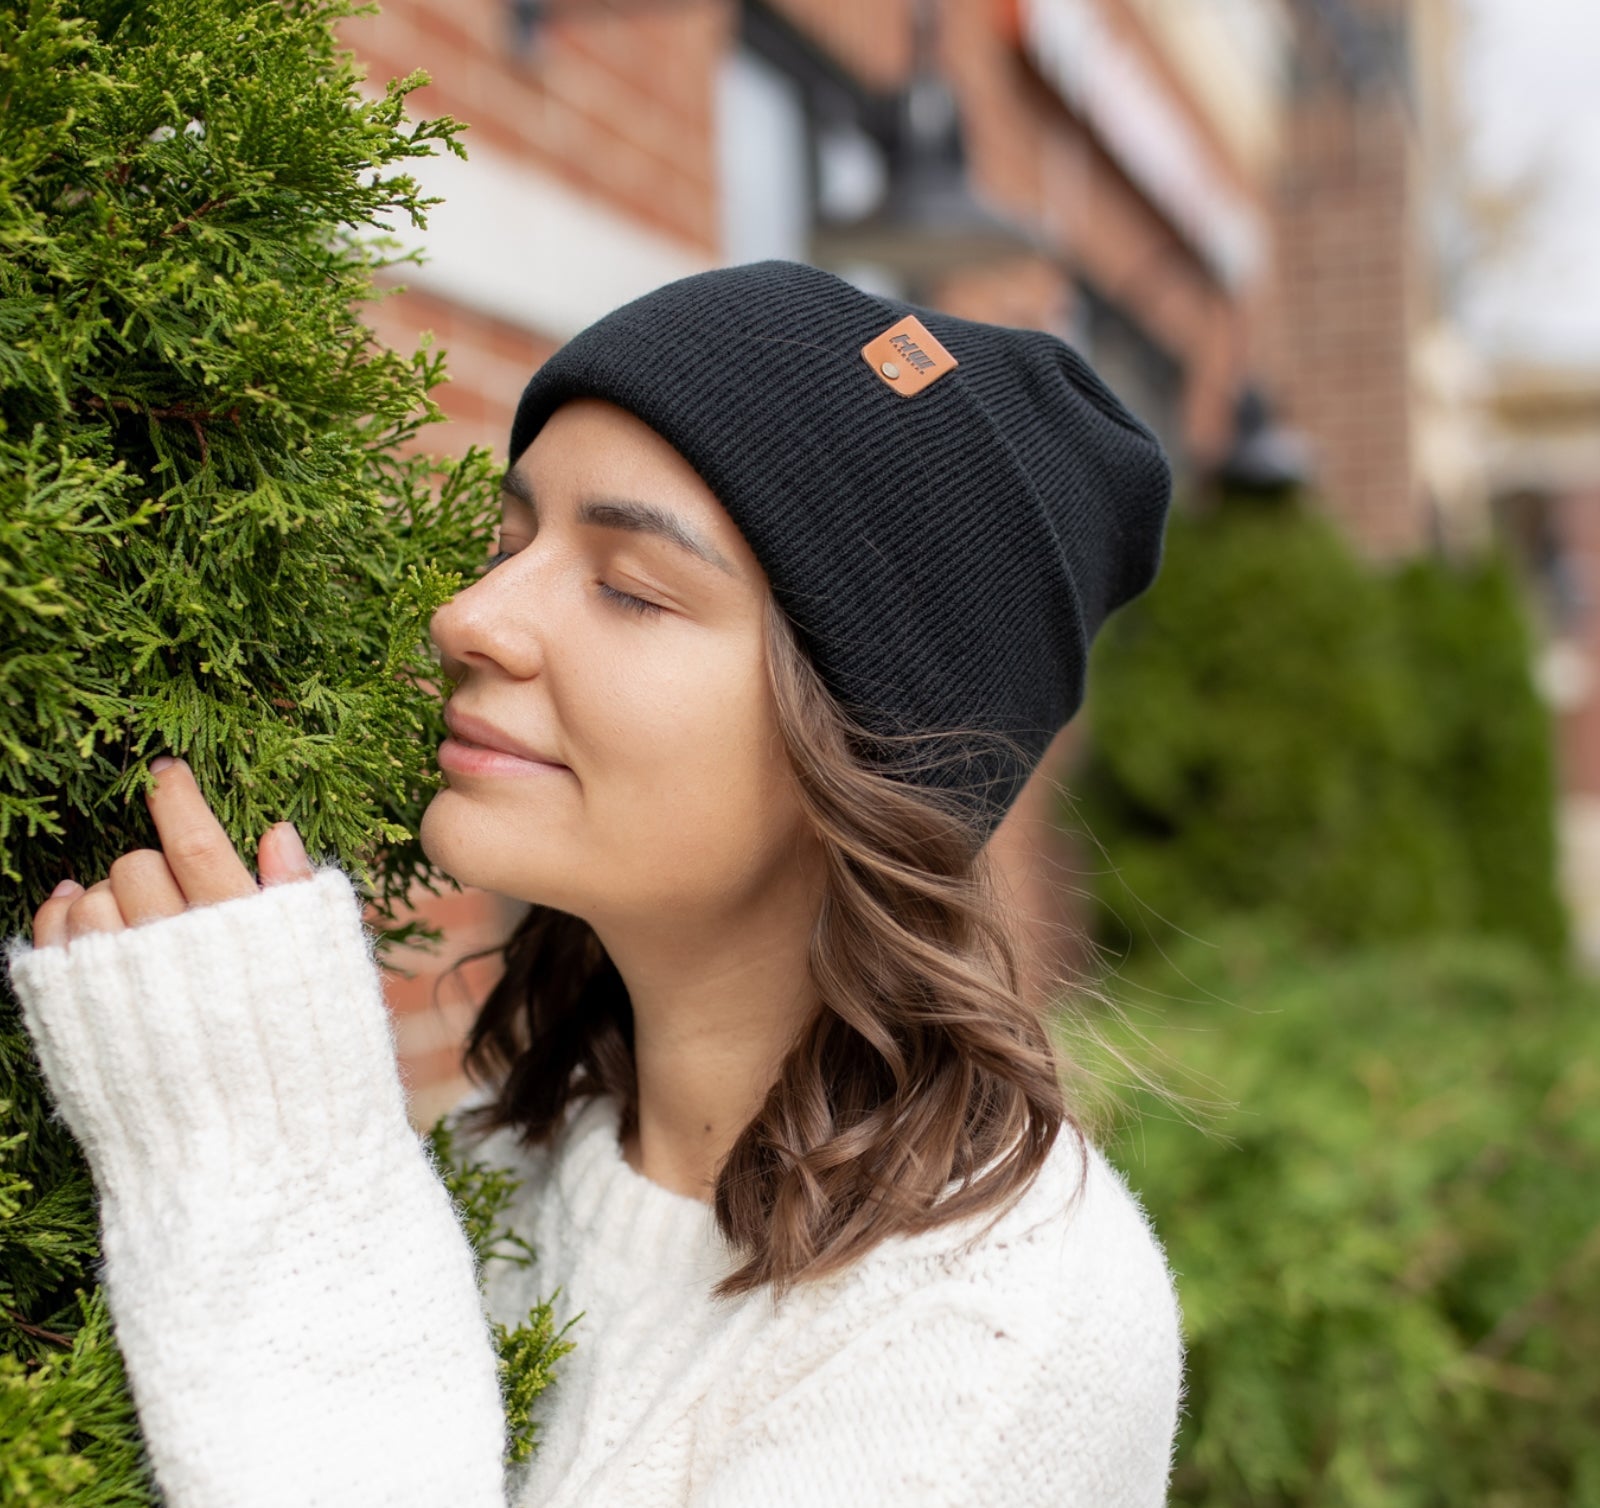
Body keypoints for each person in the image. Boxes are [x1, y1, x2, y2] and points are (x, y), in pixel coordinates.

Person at [6, 259, 1184, 1507]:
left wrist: (275, 1179)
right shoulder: (510, 1154)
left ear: (858, 745)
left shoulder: (996, 1335)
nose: (472, 615)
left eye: (630, 587)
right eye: (507, 542)